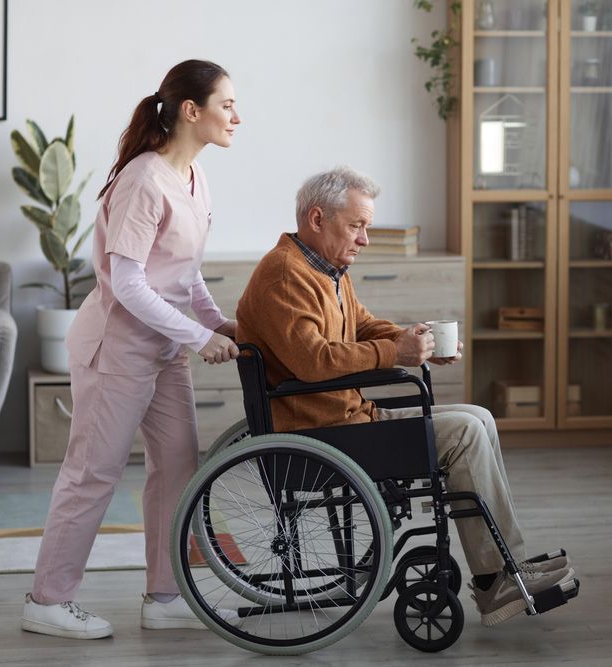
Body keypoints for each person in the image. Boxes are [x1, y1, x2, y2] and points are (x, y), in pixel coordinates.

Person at [235, 166, 576, 628]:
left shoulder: (327, 270)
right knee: (465, 433)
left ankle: (506, 565)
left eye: (366, 227)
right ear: (317, 219)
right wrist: (394, 352)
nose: (365, 239)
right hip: (319, 436)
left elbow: (364, 325)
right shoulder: (285, 275)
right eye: (356, 226)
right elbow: (314, 361)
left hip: (347, 421)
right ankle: (497, 580)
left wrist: (414, 341)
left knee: (479, 416)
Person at [21, 59, 241, 640]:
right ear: (191, 111)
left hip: (163, 350)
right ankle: (47, 600)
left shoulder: (194, 177)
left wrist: (221, 324)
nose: (236, 117)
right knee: (92, 473)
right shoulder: (143, 181)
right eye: (227, 105)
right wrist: (200, 336)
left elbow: (184, 272)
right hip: (115, 348)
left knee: (178, 468)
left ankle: (164, 595)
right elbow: (129, 281)